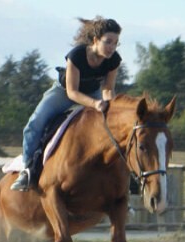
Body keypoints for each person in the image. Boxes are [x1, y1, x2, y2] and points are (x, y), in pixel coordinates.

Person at [10, 16, 122, 191]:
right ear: (95, 40)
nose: (112, 48)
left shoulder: (114, 59)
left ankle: (120, 180)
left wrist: (111, 109)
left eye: (115, 43)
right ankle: (27, 170)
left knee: (111, 128)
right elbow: (72, 92)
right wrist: (96, 104)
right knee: (34, 123)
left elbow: (108, 89)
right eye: (108, 42)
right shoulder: (77, 55)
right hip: (64, 92)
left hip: (93, 92)